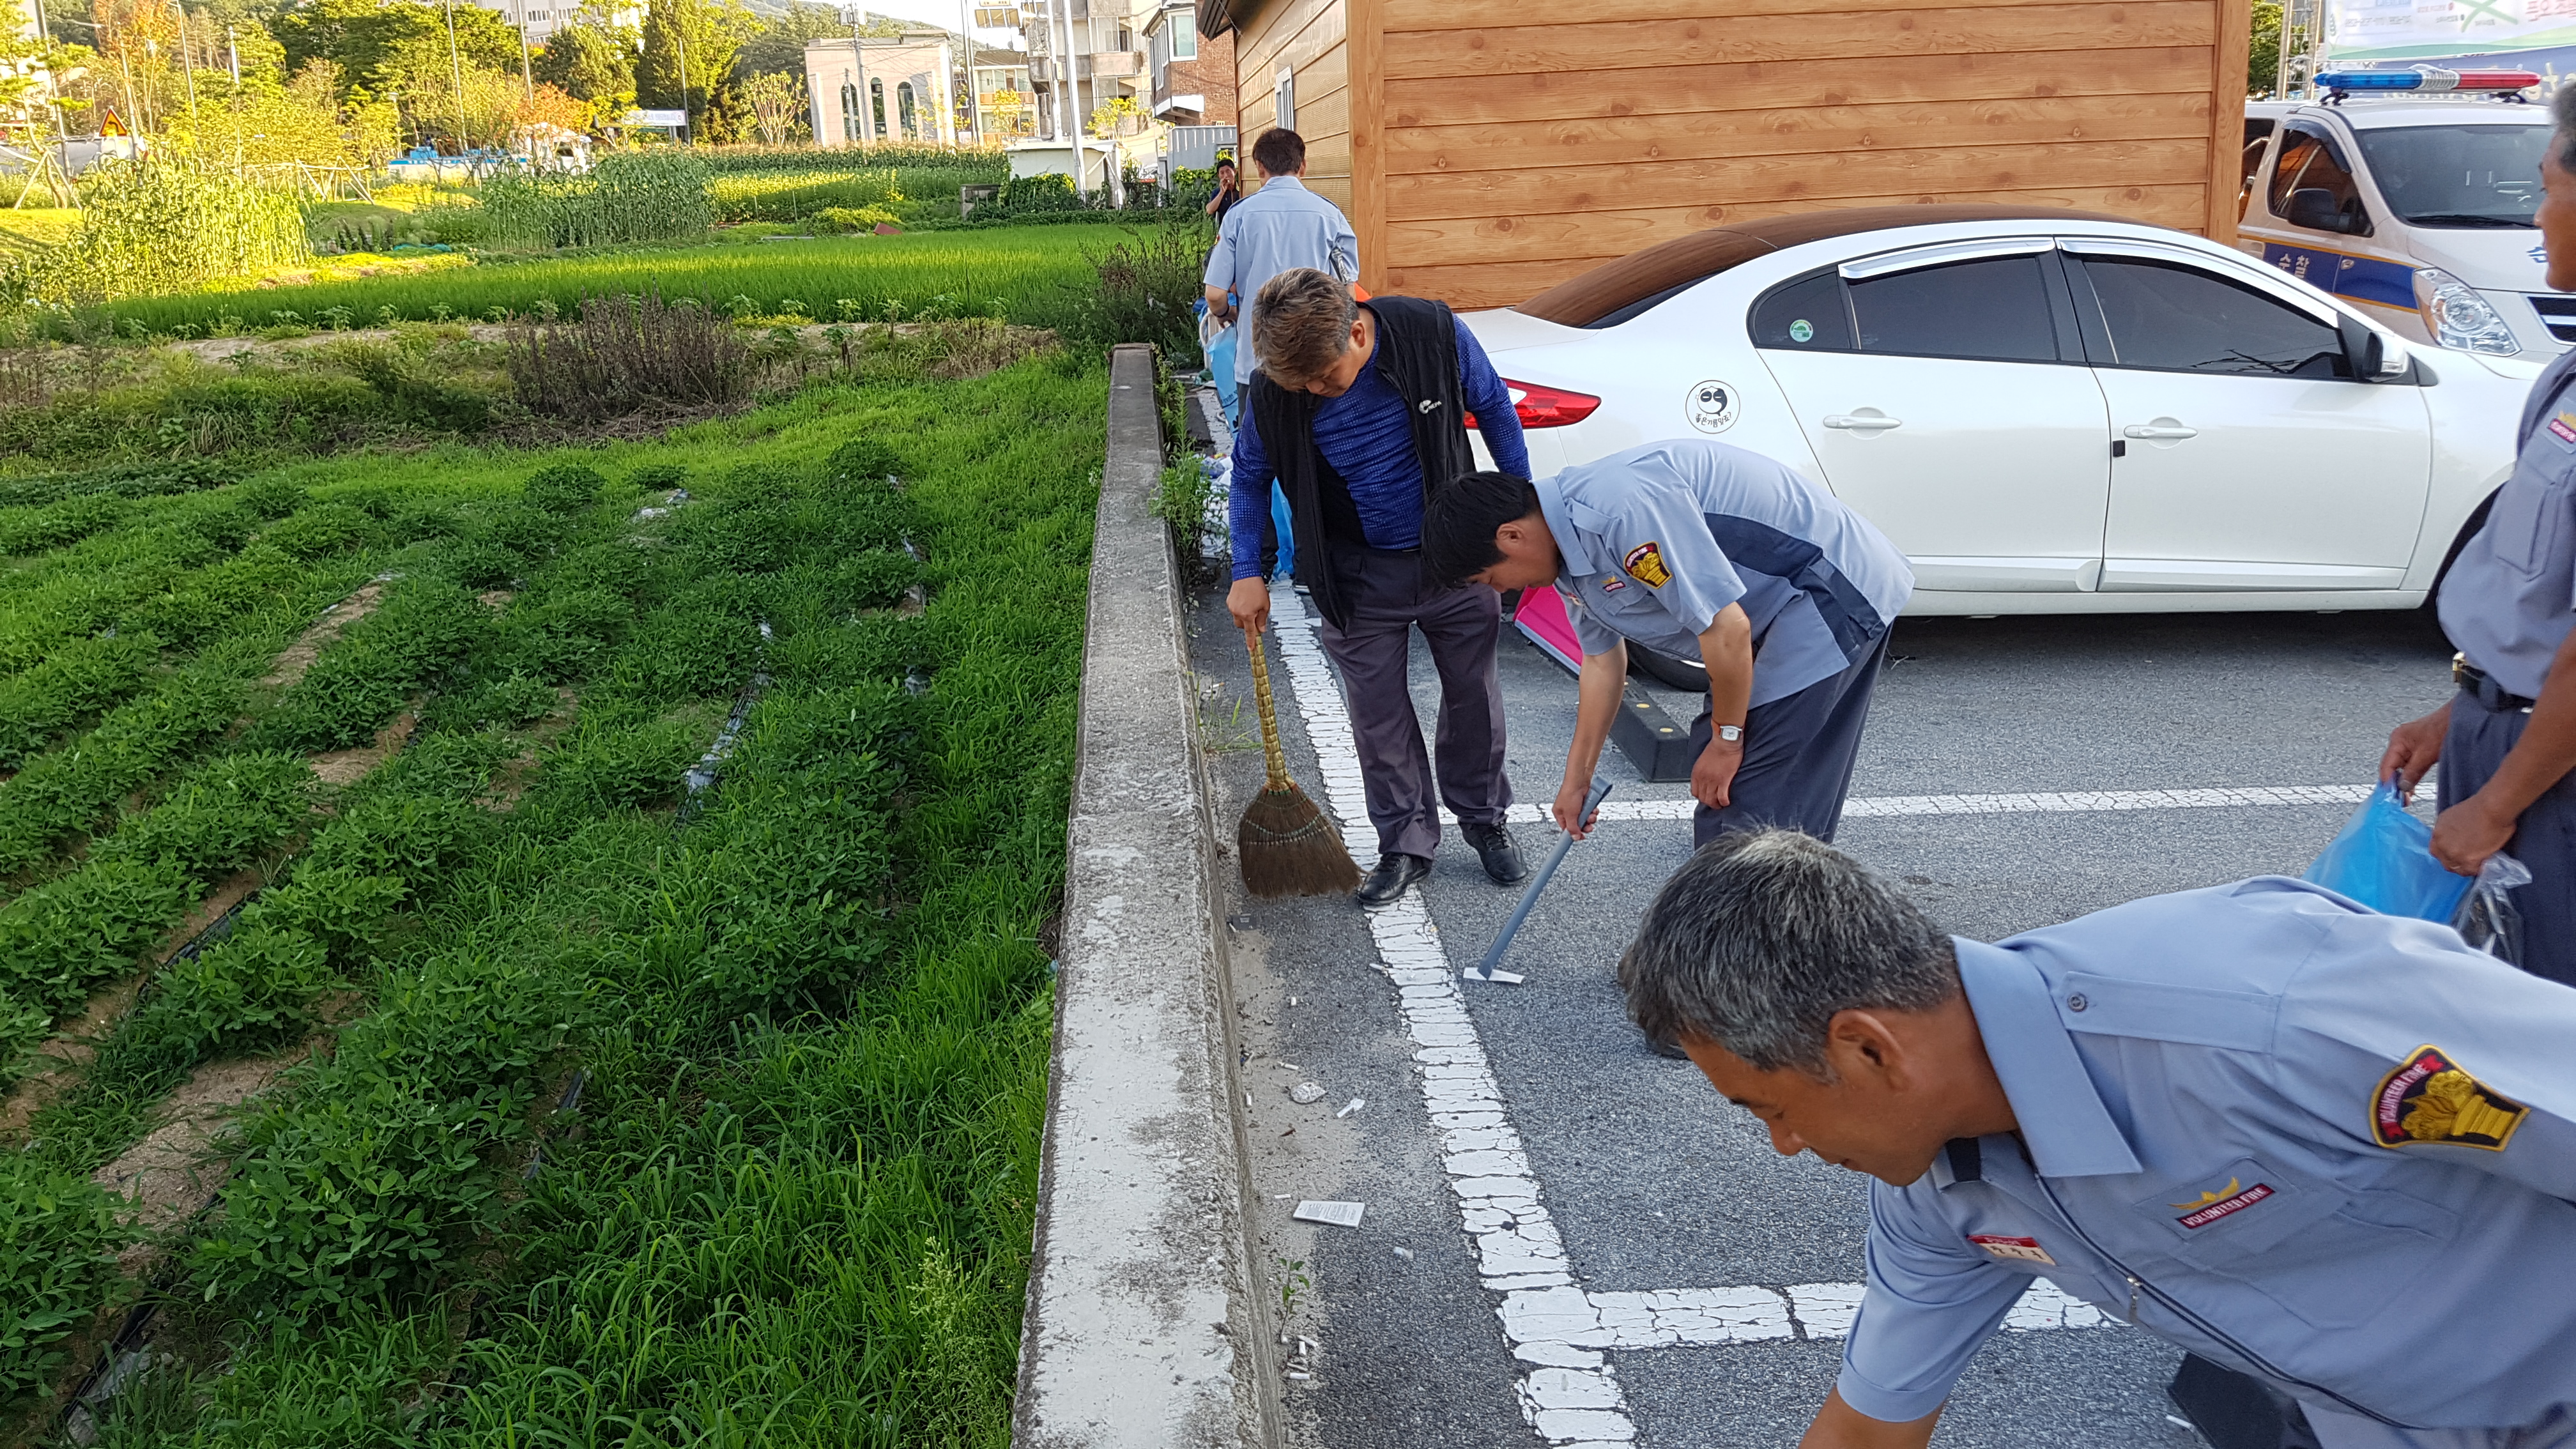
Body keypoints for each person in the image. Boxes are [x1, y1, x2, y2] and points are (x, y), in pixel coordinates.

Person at [1618, 830, 2576, 1449]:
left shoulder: (2271, 1017)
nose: (1785, 1146)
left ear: (1868, 1048)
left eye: (1770, 1108)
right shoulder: (1938, 1196)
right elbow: (1870, 1429)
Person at [1421, 440, 1912, 848]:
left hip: (1829, 590)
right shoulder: (1566, 555)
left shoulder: (1618, 511)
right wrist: (1577, 781)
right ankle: (1747, 925)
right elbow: (1603, 664)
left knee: (1751, 797)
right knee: (1732, 787)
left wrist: (1728, 740)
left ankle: (1750, 931)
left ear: (1511, 537)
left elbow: (1726, 629)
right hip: (1772, 614)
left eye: (1491, 579)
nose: (1502, 591)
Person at [1225, 267, 1532, 908]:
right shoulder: (1278, 389)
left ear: (1358, 334)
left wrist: (1523, 513)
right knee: (1377, 716)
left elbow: (1496, 410)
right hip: (1354, 574)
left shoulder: (1433, 334)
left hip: (1458, 559)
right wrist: (1246, 570)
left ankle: (1484, 818)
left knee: (1474, 695)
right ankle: (1405, 843)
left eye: (1323, 378)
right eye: (1301, 385)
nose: (1313, 391)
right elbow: (1250, 475)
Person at [2379, 83, 2576, 987]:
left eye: (2546, 187)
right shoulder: (2565, 380)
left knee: (2543, 1015)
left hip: (2549, 775)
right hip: (2515, 740)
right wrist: (2461, 713)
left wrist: (2498, 802)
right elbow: (2535, 602)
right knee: (2492, 1002)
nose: (2538, 218)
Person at [1202, 155, 1243, 226]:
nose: (1226, 176)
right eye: (1222, 173)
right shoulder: (1217, 192)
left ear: (1235, 172)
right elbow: (1209, 210)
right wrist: (1222, 193)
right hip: (1224, 228)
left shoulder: (1242, 189)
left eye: (1228, 171)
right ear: (1219, 176)